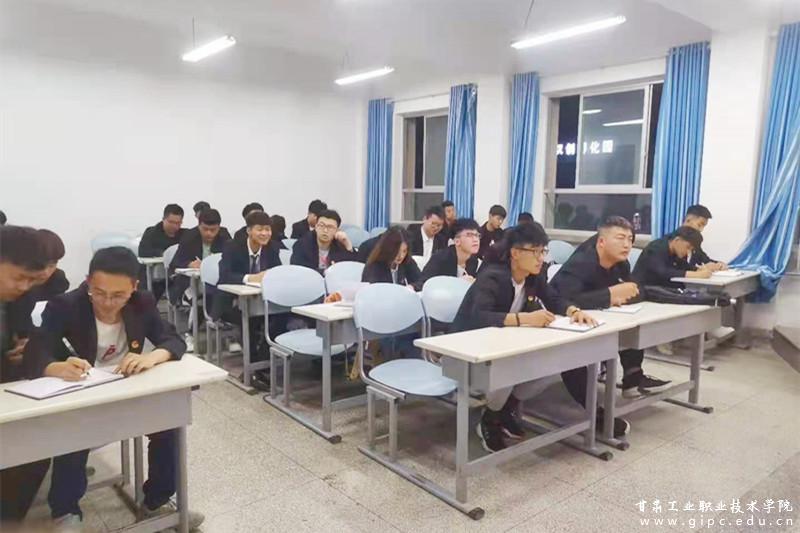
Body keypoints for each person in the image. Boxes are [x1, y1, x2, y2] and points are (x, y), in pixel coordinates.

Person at [23, 247, 204, 530]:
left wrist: (152, 357)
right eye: (98, 292)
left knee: (169, 426)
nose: (107, 302)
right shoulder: (65, 305)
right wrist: (56, 367)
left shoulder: (142, 302)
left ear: (134, 287)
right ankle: (65, 511)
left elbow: (173, 340)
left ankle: (156, 501)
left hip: (124, 391)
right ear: (88, 282)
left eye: (118, 295)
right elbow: (35, 353)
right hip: (80, 394)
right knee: (72, 435)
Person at [451, 223, 626, 452]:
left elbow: (554, 299)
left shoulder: (533, 276)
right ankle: (490, 418)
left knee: (551, 365)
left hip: (504, 343)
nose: (541, 258)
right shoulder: (492, 276)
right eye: (535, 252)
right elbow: (480, 316)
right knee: (508, 370)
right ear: (515, 253)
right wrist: (525, 318)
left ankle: (505, 409)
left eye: (543, 251)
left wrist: (574, 311)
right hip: (469, 346)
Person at [550, 216, 671, 399]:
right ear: (601, 242)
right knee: (577, 354)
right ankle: (591, 408)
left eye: (630, 239)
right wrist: (609, 295)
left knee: (632, 324)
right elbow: (563, 300)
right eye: (620, 238)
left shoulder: (622, 263)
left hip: (600, 316)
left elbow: (633, 290)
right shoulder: (581, 263)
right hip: (566, 322)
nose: (627, 245)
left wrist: (621, 296)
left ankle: (633, 378)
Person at [0, 226, 52, 525]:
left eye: (31, 280)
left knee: (35, 451)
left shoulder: (17, 299)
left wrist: (25, 350)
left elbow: (29, 339)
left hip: (9, 395)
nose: (24, 286)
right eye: (19, 277)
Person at [214, 211, 282, 361]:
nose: (264, 233)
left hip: (260, 300)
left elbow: (277, 272)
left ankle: (265, 356)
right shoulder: (232, 247)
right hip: (230, 301)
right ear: (249, 231)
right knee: (249, 318)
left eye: (267, 229)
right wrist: (251, 278)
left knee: (281, 316)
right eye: (260, 229)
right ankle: (253, 361)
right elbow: (224, 276)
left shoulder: (272, 248)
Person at [7, 229, 70, 349]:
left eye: (52, 265)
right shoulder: (16, 282)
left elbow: (55, 315)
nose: (46, 272)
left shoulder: (58, 280)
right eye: (41, 265)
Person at [169, 208, 231, 305]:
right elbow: (175, 262)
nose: (208, 233)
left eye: (213, 230)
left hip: (215, 280)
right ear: (199, 226)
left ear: (219, 227)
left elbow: (231, 258)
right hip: (190, 282)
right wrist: (189, 264)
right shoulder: (189, 236)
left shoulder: (224, 236)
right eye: (205, 229)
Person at [632, 225, 712, 289]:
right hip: (642, 289)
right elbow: (663, 272)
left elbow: (683, 266)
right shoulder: (656, 248)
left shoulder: (674, 251)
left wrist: (698, 269)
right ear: (677, 240)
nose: (688, 252)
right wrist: (696, 275)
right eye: (687, 247)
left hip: (660, 289)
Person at [416, 218, 481, 289]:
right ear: (457, 241)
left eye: (477, 235)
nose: (475, 240)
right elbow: (424, 283)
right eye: (469, 235)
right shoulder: (441, 258)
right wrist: (458, 282)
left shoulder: (474, 261)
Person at [138, 204, 186, 300]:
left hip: (175, 274)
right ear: (163, 219)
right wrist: (163, 254)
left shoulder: (185, 234)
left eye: (178, 223)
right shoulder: (151, 232)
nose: (174, 226)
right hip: (153, 274)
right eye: (171, 222)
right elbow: (143, 252)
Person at [290, 209, 357, 274]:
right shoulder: (302, 245)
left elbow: (352, 269)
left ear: (337, 230)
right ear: (316, 227)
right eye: (322, 226)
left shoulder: (339, 246)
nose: (325, 230)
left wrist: (348, 244)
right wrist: (325, 272)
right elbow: (299, 270)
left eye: (330, 227)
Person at [678, 204, 726, 271]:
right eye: (699, 225)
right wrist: (700, 269)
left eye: (704, 226)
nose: (701, 230)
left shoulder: (695, 243)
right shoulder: (672, 242)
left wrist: (718, 264)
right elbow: (673, 270)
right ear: (688, 220)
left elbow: (705, 260)